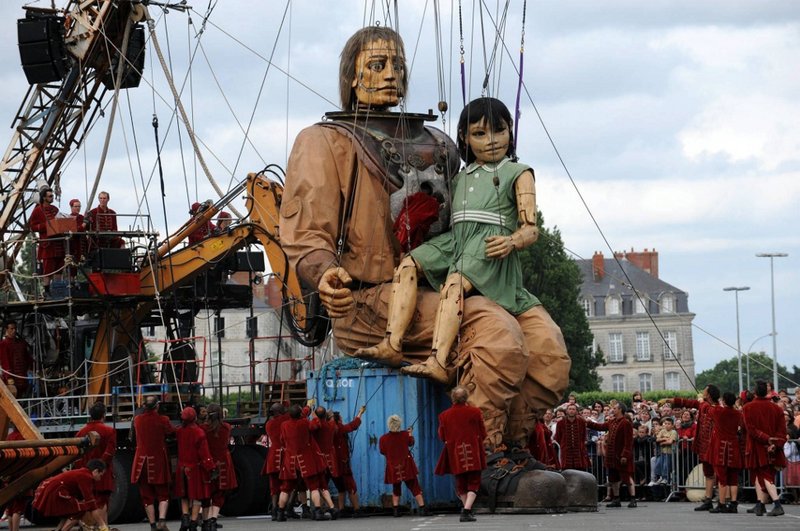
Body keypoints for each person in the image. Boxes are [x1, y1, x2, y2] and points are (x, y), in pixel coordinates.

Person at [278, 25, 571, 451]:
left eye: (398, 64)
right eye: (377, 65)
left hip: (456, 283)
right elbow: (306, 230)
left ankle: (513, 448)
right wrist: (323, 272)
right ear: (351, 78)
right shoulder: (324, 142)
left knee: (549, 352)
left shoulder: (440, 142)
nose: (391, 73)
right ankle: (487, 458)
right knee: (497, 335)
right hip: (371, 300)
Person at [358, 95, 548, 390]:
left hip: (488, 244)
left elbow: (531, 229)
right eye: (480, 134)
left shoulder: (518, 173)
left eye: (499, 131)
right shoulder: (459, 178)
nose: (492, 141)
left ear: (510, 130)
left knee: (455, 284)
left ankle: (439, 359)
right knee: (408, 265)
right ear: (465, 137)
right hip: (457, 239)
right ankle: (392, 343)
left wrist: (512, 242)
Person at [276, 403, 336, 522]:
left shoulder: (284, 425)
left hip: (290, 460)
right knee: (314, 487)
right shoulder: (304, 423)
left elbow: (282, 440)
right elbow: (316, 425)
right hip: (305, 460)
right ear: (300, 414)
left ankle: (280, 513)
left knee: (285, 489)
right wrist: (313, 415)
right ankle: (318, 512)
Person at [435, 386, 487, 523]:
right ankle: (467, 510)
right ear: (466, 397)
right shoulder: (475, 412)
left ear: (453, 398)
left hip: (455, 453)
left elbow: (441, 436)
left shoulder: (444, 415)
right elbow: (483, 433)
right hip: (473, 452)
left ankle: (466, 509)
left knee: (461, 483)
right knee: (474, 482)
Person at [669, 384, 720, 511]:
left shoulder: (715, 408)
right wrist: (675, 401)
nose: (703, 391)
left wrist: (702, 402)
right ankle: (708, 499)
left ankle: (723, 500)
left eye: (705, 390)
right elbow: (691, 402)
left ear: (708, 394)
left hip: (713, 446)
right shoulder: (704, 405)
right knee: (708, 473)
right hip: (704, 446)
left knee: (718, 473)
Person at [742, 380, 787, 517]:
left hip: (758, 446)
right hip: (771, 447)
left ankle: (777, 504)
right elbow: (782, 432)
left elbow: (752, 430)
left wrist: (768, 440)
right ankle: (760, 504)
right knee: (758, 475)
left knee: (765, 476)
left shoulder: (748, 407)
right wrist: (775, 443)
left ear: (755, 392)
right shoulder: (777, 408)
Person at [131, 395, 176, 531]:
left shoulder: (137, 420)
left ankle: (152, 525)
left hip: (141, 462)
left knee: (146, 495)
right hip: (157, 460)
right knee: (163, 493)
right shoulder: (163, 419)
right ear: (157, 406)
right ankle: (162, 520)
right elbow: (171, 432)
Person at [32, 460, 109, 531]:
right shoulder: (86, 477)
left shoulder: (83, 472)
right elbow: (91, 504)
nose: (100, 478)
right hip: (55, 491)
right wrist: (102, 525)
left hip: (52, 490)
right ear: (95, 471)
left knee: (71, 511)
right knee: (80, 509)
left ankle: (59, 530)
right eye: (101, 475)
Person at [74, 402, 116, 525]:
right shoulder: (109, 431)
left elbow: (77, 457)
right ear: (103, 415)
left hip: (85, 473)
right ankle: (103, 527)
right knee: (102, 502)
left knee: (89, 502)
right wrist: (101, 467)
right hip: (103, 473)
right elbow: (109, 453)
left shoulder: (80, 433)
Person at [588, 402, 637, 508]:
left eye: (614, 408)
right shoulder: (612, 422)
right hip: (612, 456)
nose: (612, 410)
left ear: (620, 409)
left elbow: (628, 441)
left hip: (622, 455)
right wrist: (588, 422)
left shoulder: (626, 423)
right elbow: (600, 426)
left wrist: (625, 455)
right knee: (613, 478)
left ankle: (633, 498)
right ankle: (616, 499)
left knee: (627, 476)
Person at [379, 414, 429, 517]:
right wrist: (410, 433)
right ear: (399, 424)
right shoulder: (405, 435)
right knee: (414, 486)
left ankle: (396, 510)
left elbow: (382, 451)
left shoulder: (383, 439)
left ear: (389, 424)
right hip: (406, 465)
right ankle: (422, 508)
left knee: (396, 488)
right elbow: (411, 443)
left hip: (393, 467)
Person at [175, 407, 216, 531]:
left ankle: (185, 518)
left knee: (184, 495)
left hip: (182, 467)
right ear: (195, 417)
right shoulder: (199, 432)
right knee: (197, 496)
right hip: (195, 469)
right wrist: (211, 467)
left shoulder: (179, 431)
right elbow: (204, 453)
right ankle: (193, 522)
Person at [706, 392, 744, 513]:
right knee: (733, 478)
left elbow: (710, 410)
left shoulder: (719, 411)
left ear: (724, 401)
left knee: (722, 478)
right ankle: (733, 504)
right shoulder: (738, 413)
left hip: (722, 448)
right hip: (734, 446)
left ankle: (721, 503)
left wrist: (711, 403)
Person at [201, 404, 236, 531]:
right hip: (223, 462)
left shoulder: (203, 429)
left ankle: (206, 520)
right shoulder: (226, 427)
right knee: (219, 493)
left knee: (207, 492)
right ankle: (213, 520)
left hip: (208, 463)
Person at [331, 406, 366, 515]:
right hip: (342, 462)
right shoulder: (339, 428)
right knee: (351, 486)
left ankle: (341, 509)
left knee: (341, 487)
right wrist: (360, 413)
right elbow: (353, 425)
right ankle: (356, 509)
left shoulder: (328, 429)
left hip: (332, 464)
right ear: (338, 420)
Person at [28, 187, 64, 290]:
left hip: (59, 243)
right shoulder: (37, 210)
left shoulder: (55, 209)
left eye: (52, 195)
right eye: (50, 196)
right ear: (44, 198)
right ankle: (47, 291)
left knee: (59, 269)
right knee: (48, 270)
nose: (52, 197)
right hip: (48, 244)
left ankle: (58, 291)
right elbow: (33, 227)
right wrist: (47, 225)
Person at [2, 424, 32, 531]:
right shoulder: (24, 437)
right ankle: (15, 530)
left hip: (9, 475)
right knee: (18, 509)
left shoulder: (9, 437)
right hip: (21, 474)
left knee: (10, 508)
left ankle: (11, 529)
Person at [262, 402, 289, 520]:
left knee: (274, 486)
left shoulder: (268, 424)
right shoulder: (284, 419)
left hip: (272, 456)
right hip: (283, 455)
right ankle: (283, 508)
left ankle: (274, 509)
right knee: (286, 484)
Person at [0, 321, 33, 398]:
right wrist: (9, 377)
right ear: (6, 330)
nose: (14, 331)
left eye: (15, 328)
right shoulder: (3, 344)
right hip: (12, 379)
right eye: (11, 329)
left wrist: (33, 367)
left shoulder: (21, 343)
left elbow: (27, 358)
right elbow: (5, 362)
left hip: (23, 377)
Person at [554, 403, 590, 471]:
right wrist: (564, 444)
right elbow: (558, 437)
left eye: (573, 409)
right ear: (566, 411)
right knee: (567, 472)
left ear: (576, 411)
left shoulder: (581, 421)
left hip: (579, 452)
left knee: (580, 471)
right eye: (570, 409)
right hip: (566, 452)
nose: (571, 411)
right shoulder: (560, 423)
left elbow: (584, 435)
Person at [653, 416, 677, 486]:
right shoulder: (662, 431)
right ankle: (661, 477)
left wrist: (662, 442)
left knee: (666, 466)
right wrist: (665, 438)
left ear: (672, 425)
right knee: (659, 464)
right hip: (662, 452)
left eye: (669, 424)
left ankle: (666, 478)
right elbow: (657, 439)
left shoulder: (673, 432)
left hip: (670, 453)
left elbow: (670, 442)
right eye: (665, 423)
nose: (667, 425)